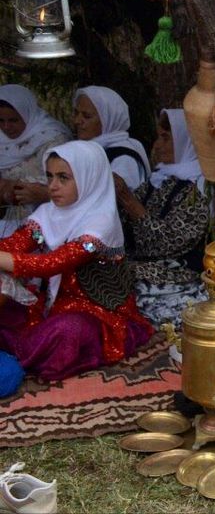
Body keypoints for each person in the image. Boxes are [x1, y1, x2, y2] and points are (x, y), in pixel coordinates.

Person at [0, 140, 151, 381]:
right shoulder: (49, 213)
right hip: (51, 305)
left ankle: (22, 353)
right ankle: (23, 352)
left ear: (88, 177)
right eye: (49, 177)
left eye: (63, 178)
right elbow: (18, 243)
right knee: (9, 309)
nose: (53, 186)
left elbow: (53, 264)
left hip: (97, 313)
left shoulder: (100, 224)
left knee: (67, 331)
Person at [114, 109, 214, 327]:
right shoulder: (161, 178)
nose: (157, 146)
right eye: (158, 137)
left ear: (188, 143)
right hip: (142, 265)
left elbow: (167, 242)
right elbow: (123, 225)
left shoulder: (199, 188)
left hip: (177, 273)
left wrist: (128, 201)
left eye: (166, 138)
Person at [0, 85, 72, 237]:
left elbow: (65, 180)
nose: (6, 127)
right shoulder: (2, 140)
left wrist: (13, 187)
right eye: (1, 120)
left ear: (27, 114)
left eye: (13, 120)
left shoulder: (53, 138)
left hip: (53, 220)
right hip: (11, 221)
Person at [72, 86, 150, 189]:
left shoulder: (123, 158)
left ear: (107, 120)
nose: (77, 121)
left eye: (87, 116)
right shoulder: (89, 150)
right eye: (76, 113)